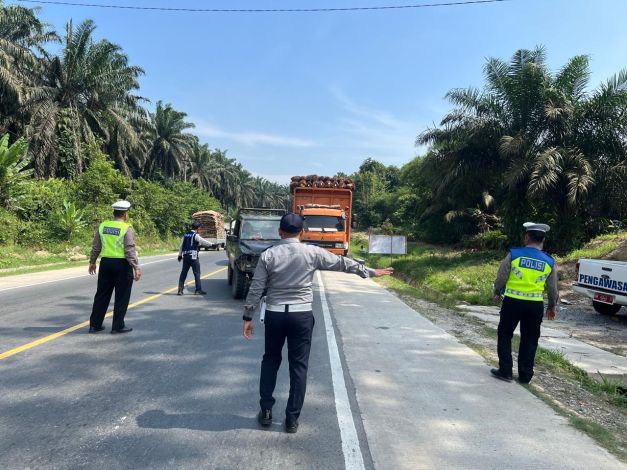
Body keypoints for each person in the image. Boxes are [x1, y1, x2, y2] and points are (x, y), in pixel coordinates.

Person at [242, 213, 393, 433]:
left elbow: (256, 287)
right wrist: (368, 271)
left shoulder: (268, 255)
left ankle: (266, 411)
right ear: (301, 232)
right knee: (299, 366)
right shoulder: (312, 252)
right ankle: (292, 419)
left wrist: (248, 316)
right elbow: (341, 263)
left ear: (279, 231)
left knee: (270, 360)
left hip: (275, 315)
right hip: (301, 315)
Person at [491, 222, 559, 384]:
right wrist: (551, 307)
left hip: (512, 302)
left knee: (505, 334)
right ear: (542, 240)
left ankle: (506, 371)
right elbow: (552, 289)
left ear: (527, 237)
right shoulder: (549, 261)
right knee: (530, 339)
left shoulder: (514, 254)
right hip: (534, 305)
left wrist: (497, 292)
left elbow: (501, 277)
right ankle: (525, 375)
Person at [88, 200, 141, 334]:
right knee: (122, 296)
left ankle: (95, 325)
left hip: (105, 264)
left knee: (101, 295)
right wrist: (136, 267)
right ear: (125, 214)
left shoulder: (103, 226)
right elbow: (129, 250)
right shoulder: (126, 228)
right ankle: (117, 326)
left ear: (114, 212)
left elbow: (96, 246)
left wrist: (92, 262)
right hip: (122, 265)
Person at [177, 220, 214, 295]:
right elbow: (203, 241)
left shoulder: (186, 234)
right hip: (193, 257)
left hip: (186, 256)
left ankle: (180, 290)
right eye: (199, 227)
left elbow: (181, 245)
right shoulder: (195, 235)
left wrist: (180, 255)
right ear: (198, 228)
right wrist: (212, 245)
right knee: (197, 273)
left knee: (183, 273)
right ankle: (198, 290)